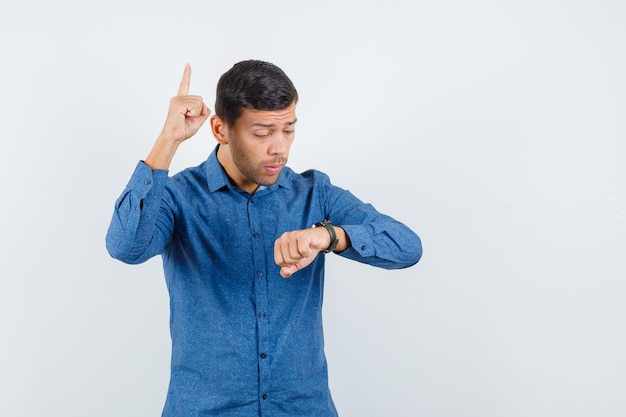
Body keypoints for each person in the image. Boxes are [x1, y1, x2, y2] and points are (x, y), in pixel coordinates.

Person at [106, 60, 422, 417]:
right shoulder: (179, 197)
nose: (279, 148)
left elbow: (407, 247)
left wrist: (330, 236)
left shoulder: (314, 193)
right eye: (262, 133)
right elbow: (125, 246)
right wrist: (168, 140)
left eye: (288, 130)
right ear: (220, 129)